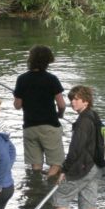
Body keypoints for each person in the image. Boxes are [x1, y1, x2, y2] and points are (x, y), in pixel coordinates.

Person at [51, 85, 104, 209]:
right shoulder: (94, 116)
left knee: (59, 197)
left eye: (76, 99)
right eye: (71, 99)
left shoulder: (83, 122)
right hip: (95, 167)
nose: (72, 102)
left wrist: (64, 170)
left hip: (83, 167)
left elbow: (75, 150)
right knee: (90, 203)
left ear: (85, 101)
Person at [12, 45, 66, 174]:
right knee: (56, 164)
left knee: (36, 165)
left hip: (30, 127)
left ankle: (36, 190)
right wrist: (60, 114)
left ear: (30, 60)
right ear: (48, 61)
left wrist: (18, 96)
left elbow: (17, 105)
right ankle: (48, 187)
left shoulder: (22, 79)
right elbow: (62, 105)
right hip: (49, 126)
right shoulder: (52, 79)